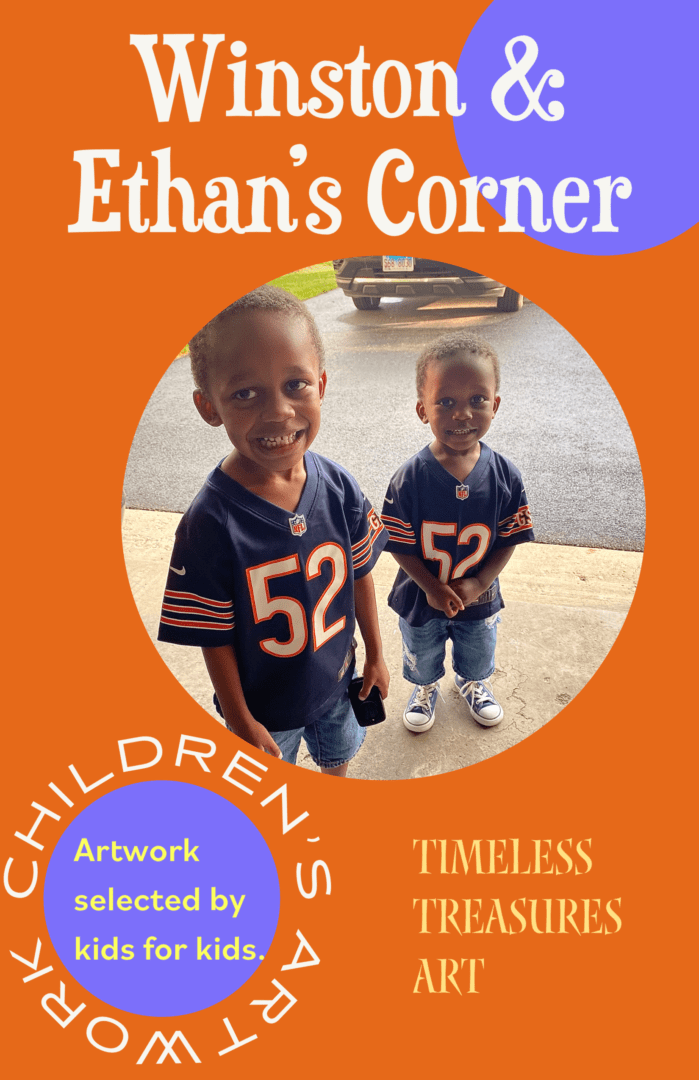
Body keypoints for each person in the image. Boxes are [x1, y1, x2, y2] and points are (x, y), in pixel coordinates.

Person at [158, 286, 389, 775]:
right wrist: (239, 718)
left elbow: (360, 573)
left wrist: (375, 654)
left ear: (321, 383)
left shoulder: (338, 484)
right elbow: (212, 634)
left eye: (296, 385)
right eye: (245, 394)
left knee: (338, 762)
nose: (279, 412)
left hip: (339, 681)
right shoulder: (209, 523)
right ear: (208, 406)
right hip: (264, 710)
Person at [381, 332, 534, 734]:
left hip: (478, 595)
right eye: (445, 402)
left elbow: (508, 539)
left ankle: (472, 681)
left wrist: (481, 580)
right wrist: (430, 585)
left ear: (495, 404)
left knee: (477, 646)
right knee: (421, 648)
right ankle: (425, 686)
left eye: (477, 400)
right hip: (421, 593)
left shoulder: (505, 476)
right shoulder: (409, 479)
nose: (462, 414)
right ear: (422, 409)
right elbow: (398, 543)